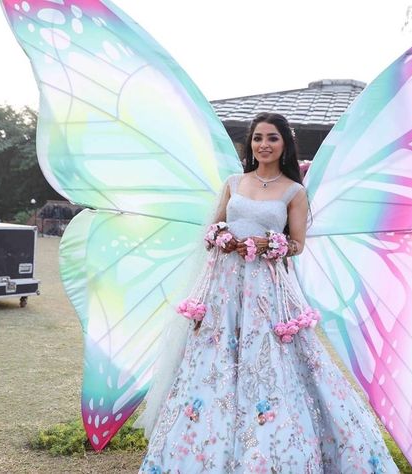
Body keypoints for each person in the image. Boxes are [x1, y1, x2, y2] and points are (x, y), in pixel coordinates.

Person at [138, 113, 398, 473]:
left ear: (284, 144)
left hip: (267, 287)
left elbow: (298, 244)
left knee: (270, 356)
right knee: (217, 354)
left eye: (272, 138)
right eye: (258, 138)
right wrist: (220, 237)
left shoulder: (294, 191)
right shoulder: (233, 182)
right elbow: (214, 226)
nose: (264, 144)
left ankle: (274, 447)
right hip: (224, 286)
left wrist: (271, 244)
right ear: (251, 145)